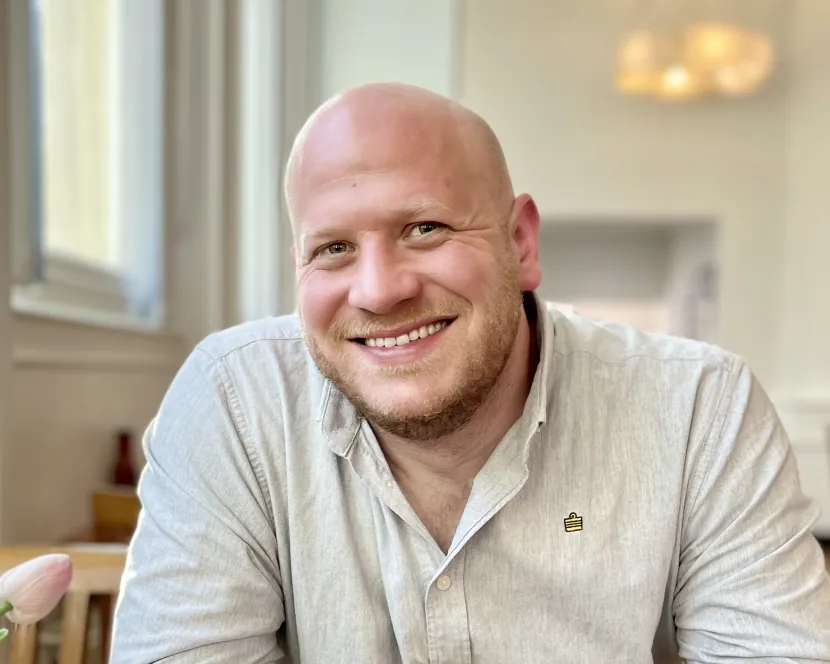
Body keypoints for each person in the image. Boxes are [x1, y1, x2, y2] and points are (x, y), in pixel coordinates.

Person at [110, 83, 830, 663]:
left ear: (520, 242)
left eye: (425, 228)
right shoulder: (234, 403)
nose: (379, 290)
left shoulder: (701, 409)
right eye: (332, 248)